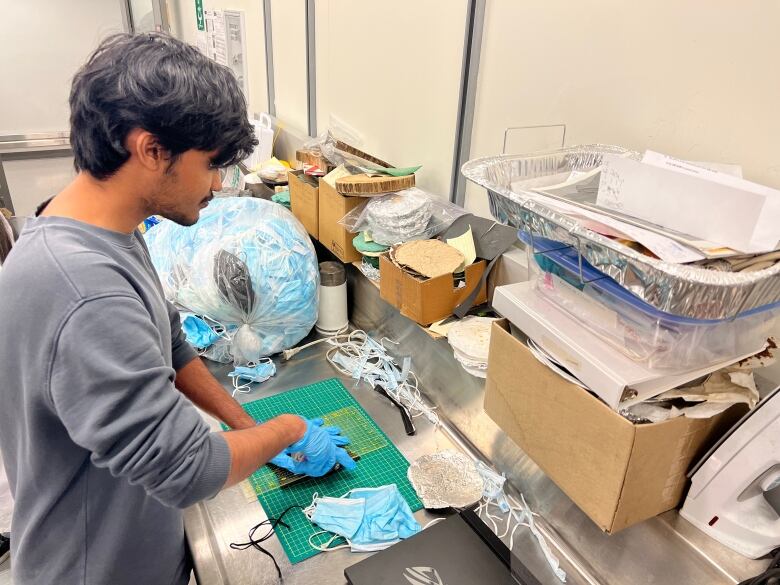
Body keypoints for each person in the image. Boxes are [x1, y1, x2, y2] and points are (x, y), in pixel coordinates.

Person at [0, 33, 354, 585]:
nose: (216, 184)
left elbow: (169, 341)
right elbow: (189, 470)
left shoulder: (102, 230)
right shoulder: (85, 290)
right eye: (211, 164)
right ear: (150, 150)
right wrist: (283, 429)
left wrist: (244, 421)